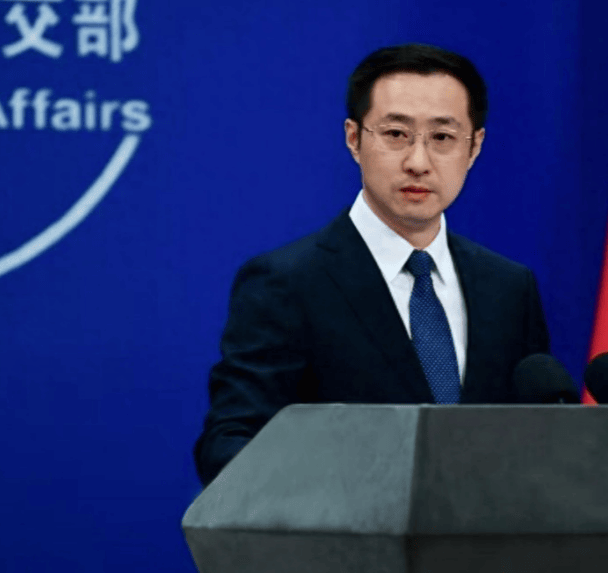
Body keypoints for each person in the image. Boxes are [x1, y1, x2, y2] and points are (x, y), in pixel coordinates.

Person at [194, 43, 550, 486]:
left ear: (474, 147)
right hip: (340, 529)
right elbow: (230, 444)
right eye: (396, 134)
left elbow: (541, 441)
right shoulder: (286, 283)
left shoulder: (509, 288)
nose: (418, 162)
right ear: (354, 139)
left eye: (442, 138)